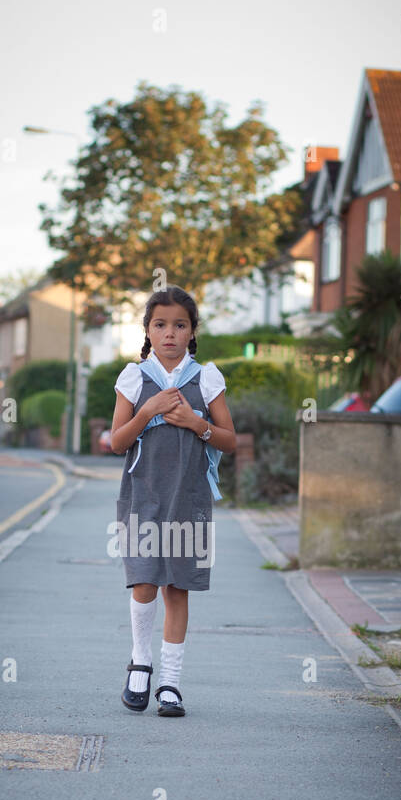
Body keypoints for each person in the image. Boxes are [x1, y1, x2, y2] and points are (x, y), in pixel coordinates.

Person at [110, 286, 237, 716]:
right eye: (160, 325)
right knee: (144, 581)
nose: (169, 334)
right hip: (142, 495)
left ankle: (171, 684)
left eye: (179, 325)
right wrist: (147, 413)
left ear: (192, 331)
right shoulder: (133, 377)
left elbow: (229, 440)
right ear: (147, 330)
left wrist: (195, 422)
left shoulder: (207, 378)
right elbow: (116, 442)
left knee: (177, 588)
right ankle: (140, 663)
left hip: (189, 498)